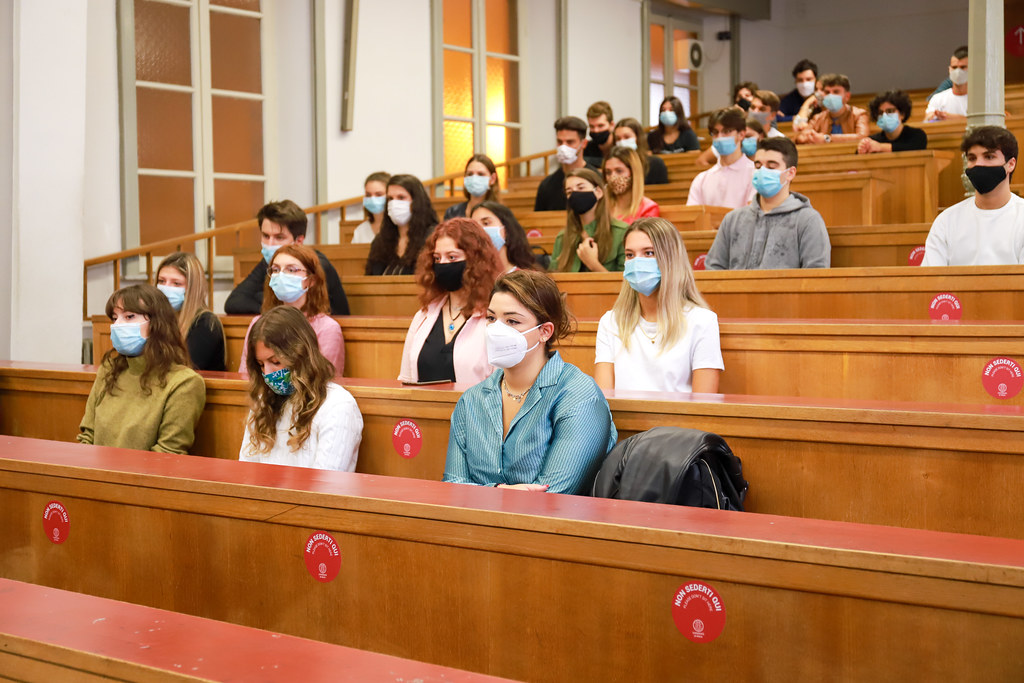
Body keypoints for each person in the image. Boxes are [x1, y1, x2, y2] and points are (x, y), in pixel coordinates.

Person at [442, 269, 617, 494]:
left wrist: (485, 493)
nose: (496, 330)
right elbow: (453, 486)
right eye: (492, 318)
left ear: (544, 331)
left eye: (512, 321)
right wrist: (501, 490)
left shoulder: (579, 395)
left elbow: (553, 495)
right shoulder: (472, 399)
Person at [595, 217, 723, 393]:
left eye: (648, 253)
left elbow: (703, 404)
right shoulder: (610, 322)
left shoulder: (702, 321)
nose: (636, 262)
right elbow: (604, 399)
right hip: (621, 421)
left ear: (670, 258)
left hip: (678, 420)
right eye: (630, 255)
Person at [78, 284, 206, 454]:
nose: (118, 325)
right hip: (96, 476)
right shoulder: (109, 369)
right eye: (115, 318)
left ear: (157, 324)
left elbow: (168, 452)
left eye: (129, 316)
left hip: (142, 478)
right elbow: (87, 436)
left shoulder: (184, 382)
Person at [239, 306, 362, 472]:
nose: (267, 374)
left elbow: (325, 487)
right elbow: (245, 471)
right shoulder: (264, 402)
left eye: (275, 362)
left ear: (300, 354)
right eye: (261, 365)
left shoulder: (338, 405)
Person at [398, 218, 501, 385]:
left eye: (452, 257)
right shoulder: (423, 316)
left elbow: (503, 385)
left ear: (476, 261)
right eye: (437, 259)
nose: (443, 264)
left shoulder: (494, 317)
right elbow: (406, 380)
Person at [706, 138, 830, 270]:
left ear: (790, 173)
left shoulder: (808, 220)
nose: (762, 172)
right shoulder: (732, 220)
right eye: (758, 166)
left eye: (771, 166)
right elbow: (714, 269)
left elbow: (816, 274)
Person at [225, 200, 350, 315]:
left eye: (279, 237)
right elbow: (234, 301)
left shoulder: (315, 264)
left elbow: (295, 308)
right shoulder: (268, 262)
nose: (270, 244)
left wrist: (262, 298)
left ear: (299, 240)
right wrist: (269, 304)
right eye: (266, 236)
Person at [922, 126, 1024, 266]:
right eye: (972, 158)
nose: (978, 164)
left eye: (989, 157)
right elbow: (930, 281)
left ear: (1011, 164)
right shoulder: (947, 221)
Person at [239, 244, 343, 376]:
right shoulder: (258, 323)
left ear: (311, 280)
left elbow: (326, 380)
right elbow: (246, 375)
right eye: (275, 270)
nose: (281, 275)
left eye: (291, 270)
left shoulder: (327, 328)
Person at [155, 252, 226, 372]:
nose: (166, 288)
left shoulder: (206, 323)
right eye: (161, 281)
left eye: (176, 283)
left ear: (193, 288)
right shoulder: (155, 319)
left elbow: (184, 370)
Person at [551, 168, 627, 272]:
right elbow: (552, 280)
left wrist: (593, 264)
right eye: (569, 192)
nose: (574, 195)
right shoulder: (562, 238)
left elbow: (624, 285)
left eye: (581, 187)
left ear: (599, 192)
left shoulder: (622, 232)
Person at [366, 174, 439, 275]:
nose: (394, 203)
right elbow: (370, 279)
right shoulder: (380, 241)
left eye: (401, 197)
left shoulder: (433, 237)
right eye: (390, 198)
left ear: (416, 202)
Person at [687, 108, 756, 209]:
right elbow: (693, 216)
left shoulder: (755, 174)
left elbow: (752, 216)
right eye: (715, 132)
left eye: (726, 131)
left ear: (741, 134)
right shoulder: (701, 179)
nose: (720, 137)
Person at [534, 116, 599, 212]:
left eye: (570, 142)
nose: (563, 147)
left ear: (584, 144)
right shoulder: (546, 185)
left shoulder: (597, 179)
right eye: (560, 142)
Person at [795, 74, 869, 144]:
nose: (831, 95)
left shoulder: (859, 114)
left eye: (836, 92)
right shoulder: (818, 118)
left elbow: (862, 137)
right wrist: (806, 137)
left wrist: (826, 139)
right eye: (827, 92)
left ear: (847, 96)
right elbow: (800, 137)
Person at [470, 201, 539, 273]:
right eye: (474, 226)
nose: (480, 230)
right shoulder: (468, 278)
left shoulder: (527, 278)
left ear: (506, 229)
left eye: (486, 223)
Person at [602, 146, 660, 224]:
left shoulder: (648, 208)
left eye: (619, 171)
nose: (612, 177)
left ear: (633, 173)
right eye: (608, 172)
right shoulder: (601, 206)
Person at [858, 90, 928, 155]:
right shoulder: (873, 140)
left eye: (890, 111)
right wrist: (862, 149)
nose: (884, 116)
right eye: (880, 113)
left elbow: (913, 148)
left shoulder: (917, 135)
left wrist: (880, 147)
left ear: (902, 114)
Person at [612, 117, 669, 185]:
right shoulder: (612, 166)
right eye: (618, 139)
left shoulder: (654, 164)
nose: (622, 141)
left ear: (638, 138)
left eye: (627, 137)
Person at [443, 154, 500, 220]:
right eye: (470, 174)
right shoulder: (452, 213)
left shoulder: (501, 214)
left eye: (480, 174)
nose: (474, 178)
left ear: (492, 179)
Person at [925, 46, 968, 122]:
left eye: (963, 67)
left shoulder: (980, 99)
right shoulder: (938, 98)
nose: (958, 71)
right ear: (949, 69)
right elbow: (928, 118)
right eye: (954, 67)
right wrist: (934, 116)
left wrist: (951, 117)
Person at [352, 171, 389, 244]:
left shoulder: (399, 229)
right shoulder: (360, 230)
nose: (372, 199)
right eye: (368, 195)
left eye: (378, 194)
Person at [582, 101, 616, 166]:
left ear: (612, 125)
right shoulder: (586, 149)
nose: (596, 130)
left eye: (600, 126)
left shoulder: (620, 145)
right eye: (592, 126)